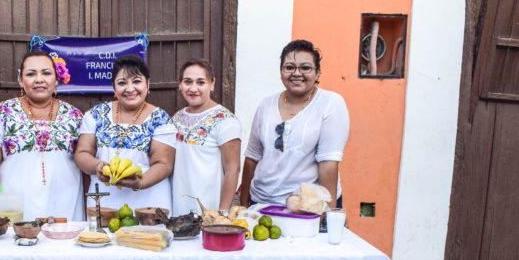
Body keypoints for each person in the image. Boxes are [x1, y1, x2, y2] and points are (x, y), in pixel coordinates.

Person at [239, 39, 349, 209]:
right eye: (289, 67)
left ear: (318, 73)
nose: (297, 73)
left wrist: (328, 213)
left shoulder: (330, 104)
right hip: (261, 201)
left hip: (307, 206)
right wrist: (243, 204)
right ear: (281, 72)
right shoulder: (266, 105)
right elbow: (252, 157)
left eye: (305, 68)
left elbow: (328, 164)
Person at [0, 50, 84, 221]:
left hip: (64, 201)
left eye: (46, 73)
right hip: (14, 203)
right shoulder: (2, 112)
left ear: (56, 80)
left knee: (62, 236)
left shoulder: (74, 115)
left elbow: (84, 155)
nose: (39, 79)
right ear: (20, 80)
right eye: (31, 74)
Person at [74, 55, 177, 212]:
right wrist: (97, 166)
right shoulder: (96, 114)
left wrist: (140, 183)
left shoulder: (161, 119)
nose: (130, 89)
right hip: (104, 201)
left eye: (136, 81)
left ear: (148, 84)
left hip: (149, 203)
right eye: (122, 83)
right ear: (114, 88)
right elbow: (82, 153)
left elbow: (163, 164)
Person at [170, 58, 241, 215]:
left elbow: (233, 170)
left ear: (212, 84)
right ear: (180, 84)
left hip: (209, 211)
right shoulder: (177, 118)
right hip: (178, 209)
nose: (193, 88)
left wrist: (222, 213)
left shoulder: (225, 120)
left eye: (201, 82)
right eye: (187, 82)